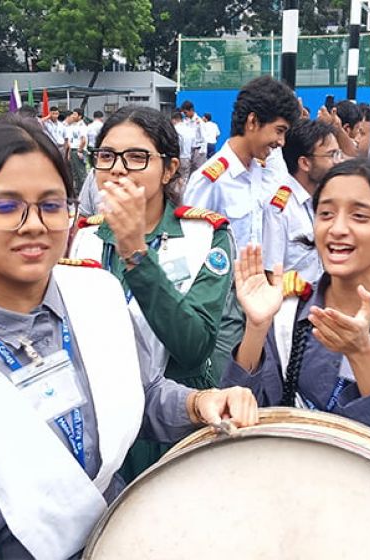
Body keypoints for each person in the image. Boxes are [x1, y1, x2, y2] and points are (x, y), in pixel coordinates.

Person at [0, 117, 258, 557]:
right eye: (6, 206)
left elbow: (135, 394)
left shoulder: (93, 294)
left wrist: (196, 404)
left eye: (52, 205)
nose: (34, 225)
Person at [223, 157, 370, 465]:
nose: (337, 229)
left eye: (360, 217)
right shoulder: (287, 308)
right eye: (325, 214)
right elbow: (239, 413)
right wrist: (256, 328)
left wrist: (362, 354)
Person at [69, 106, 237, 480]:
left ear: (170, 169)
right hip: (101, 418)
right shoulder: (84, 236)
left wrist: (136, 254)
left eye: (137, 157)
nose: (117, 169)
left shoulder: (205, 236)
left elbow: (194, 345)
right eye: (107, 156)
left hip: (178, 423)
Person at [184, 76, 300, 249]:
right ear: (253, 122)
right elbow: (190, 248)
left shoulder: (261, 172)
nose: (281, 142)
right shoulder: (211, 180)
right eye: (279, 131)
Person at [262, 118, 342, 283]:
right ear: (305, 163)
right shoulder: (279, 209)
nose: (338, 162)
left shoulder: (330, 199)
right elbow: (273, 274)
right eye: (331, 155)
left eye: (338, 154)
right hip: (296, 303)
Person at [65, 109, 88, 194]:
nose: (73, 116)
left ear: (80, 116)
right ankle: (77, 192)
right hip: (73, 150)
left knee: (81, 174)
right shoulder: (73, 126)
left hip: (78, 150)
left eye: (75, 114)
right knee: (75, 174)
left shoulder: (82, 126)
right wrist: (68, 153)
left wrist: (80, 151)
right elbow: (70, 140)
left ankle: (84, 193)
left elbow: (83, 140)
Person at [180, 100, 207, 171]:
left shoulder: (199, 121)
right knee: (190, 170)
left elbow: (204, 136)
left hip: (199, 149)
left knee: (199, 169)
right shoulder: (186, 121)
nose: (185, 114)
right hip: (190, 149)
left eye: (186, 112)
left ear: (191, 110)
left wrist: (203, 150)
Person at [172, 111, 195, 184]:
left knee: (176, 178)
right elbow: (193, 146)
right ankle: (184, 193)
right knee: (185, 178)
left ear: (174, 119)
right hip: (187, 157)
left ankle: (176, 194)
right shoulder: (190, 130)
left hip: (178, 157)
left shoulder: (175, 129)